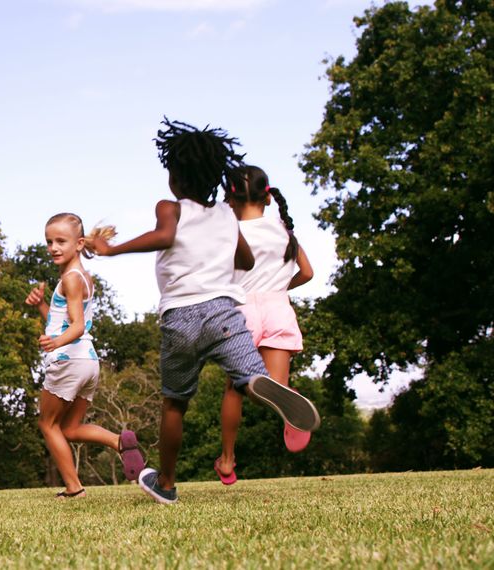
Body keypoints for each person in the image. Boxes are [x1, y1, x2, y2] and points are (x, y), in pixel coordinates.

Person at [87, 118, 320, 504]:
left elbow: (164, 236)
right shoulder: (226, 216)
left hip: (180, 318)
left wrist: (112, 250)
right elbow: (244, 260)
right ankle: (256, 382)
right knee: (248, 376)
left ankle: (165, 482)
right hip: (225, 315)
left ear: (175, 177)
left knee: (175, 403)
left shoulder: (170, 207)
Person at [25, 213, 145, 499]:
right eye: (49, 241)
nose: (53, 247)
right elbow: (65, 322)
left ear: (79, 244)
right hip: (88, 362)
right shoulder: (81, 277)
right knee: (70, 428)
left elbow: (76, 327)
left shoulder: (70, 279)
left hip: (69, 361)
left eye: (60, 241)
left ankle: (74, 487)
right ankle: (119, 441)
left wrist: (55, 344)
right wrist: (41, 305)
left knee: (47, 424)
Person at [213, 165, 316, 485]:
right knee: (273, 389)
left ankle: (227, 461)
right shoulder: (283, 231)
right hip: (277, 307)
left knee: (236, 389)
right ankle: (289, 404)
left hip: (241, 312)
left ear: (230, 199)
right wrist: (280, 288)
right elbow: (308, 273)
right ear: (268, 198)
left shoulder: (228, 234)